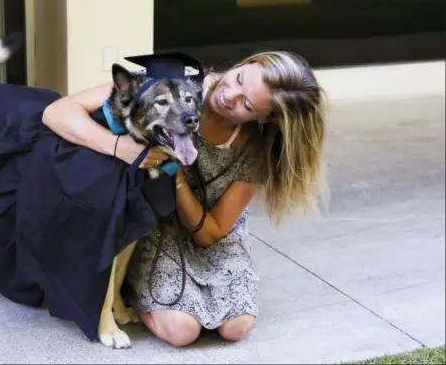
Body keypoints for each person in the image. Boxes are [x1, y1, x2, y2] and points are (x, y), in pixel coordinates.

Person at [41, 50, 328, 347]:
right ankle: (130, 290)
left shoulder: (256, 150)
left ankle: (143, 292)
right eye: (239, 79)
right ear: (244, 63)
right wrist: (118, 146)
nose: (231, 96)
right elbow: (55, 112)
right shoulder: (170, 85)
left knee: (237, 326)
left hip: (207, 232)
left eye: (247, 103)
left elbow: (211, 233)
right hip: (155, 225)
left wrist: (174, 174)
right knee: (182, 331)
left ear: (265, 118)